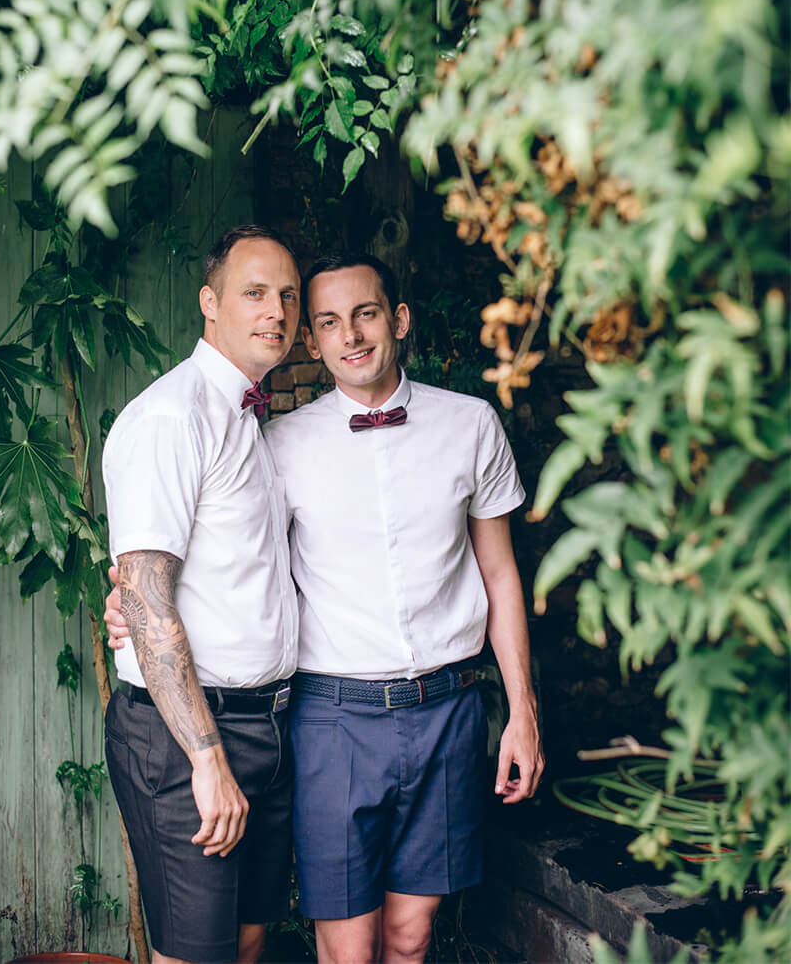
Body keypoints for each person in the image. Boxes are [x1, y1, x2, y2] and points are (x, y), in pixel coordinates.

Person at [106, 252, 544, 964]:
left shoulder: (469, 425)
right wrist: (125, 594)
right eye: (329, 321)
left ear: (397, 319)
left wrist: (522, 711)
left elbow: (500, 572)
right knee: (335, 948)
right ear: (312, 340)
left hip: (429, 711)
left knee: (404, 935)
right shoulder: (274, 439)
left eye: (366, 313)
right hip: (328, 718)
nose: (351, 335)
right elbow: (193, 551)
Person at [99, 224, 302, 964]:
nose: (275, 310)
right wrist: (207, 756)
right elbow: (147, 601)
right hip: (188, 737)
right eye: (255, 292)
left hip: (266, 729)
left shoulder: (251, 420)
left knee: (248, 944)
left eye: (286, 294)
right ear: (209, 302)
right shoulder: (173, 415)